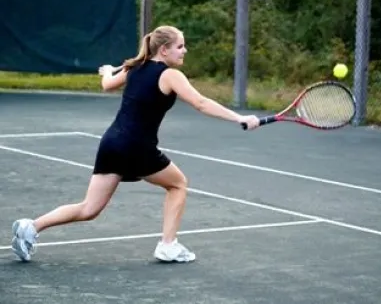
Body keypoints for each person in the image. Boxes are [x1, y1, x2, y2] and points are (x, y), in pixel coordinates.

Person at [11, 25, 260, 263]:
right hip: (136, 147)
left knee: (89, 209)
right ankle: (168, 245)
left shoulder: (135, 68)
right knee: (178, 184)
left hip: (112, 142)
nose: (185, 51)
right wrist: (240, 117)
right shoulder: (170, 75)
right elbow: (201, 103)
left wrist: (108, 71)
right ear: (164, 50)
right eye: (180, 46)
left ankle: (31, 227)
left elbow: (107, 84)